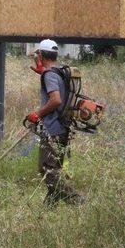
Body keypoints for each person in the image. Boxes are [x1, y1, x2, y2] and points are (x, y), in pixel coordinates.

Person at [26, 39, 84, 207]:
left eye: (37, 55)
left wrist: (37, 114)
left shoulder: (50, 75)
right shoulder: (60, 72)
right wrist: (43, 72)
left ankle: (78, 202)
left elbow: (56, 100)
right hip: (64, 127)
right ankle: (47, 210)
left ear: (41, 55)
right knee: (55, 169)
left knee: (47, 170)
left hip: (53, 129)